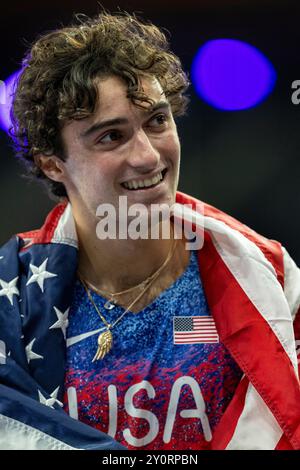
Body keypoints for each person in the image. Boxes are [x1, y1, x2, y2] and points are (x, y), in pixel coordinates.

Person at [0, 11, 299, 451]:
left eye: (157, 121)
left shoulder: (270, 276)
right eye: (111, 137)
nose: (146, 156)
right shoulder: (12, 299)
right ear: (52, 163)